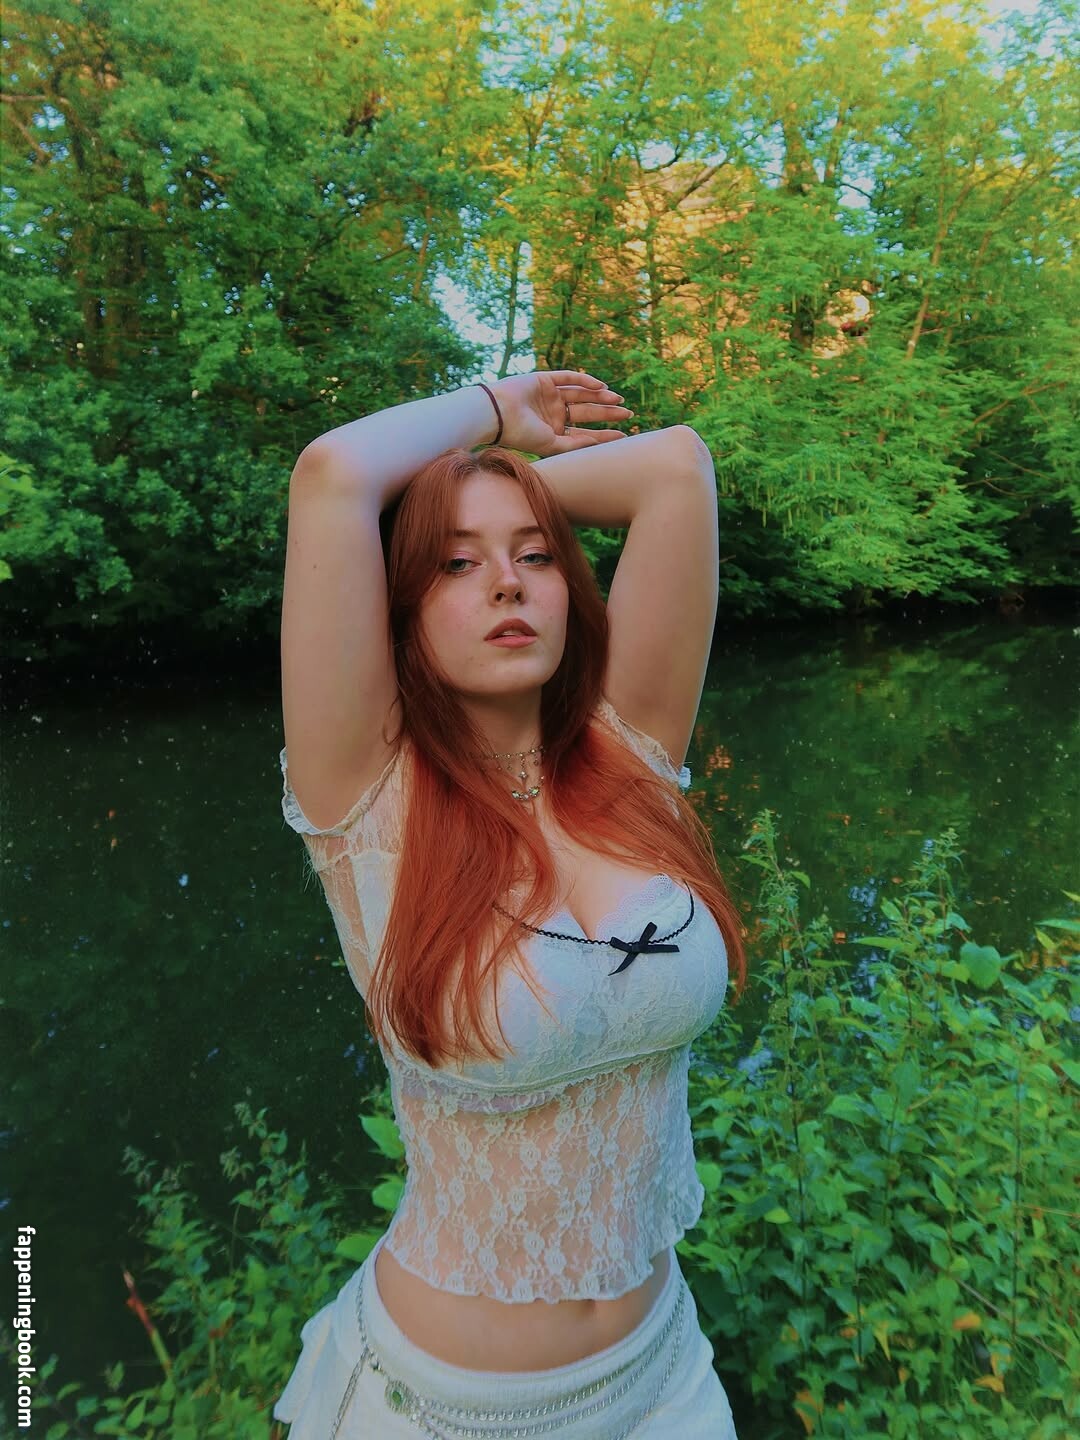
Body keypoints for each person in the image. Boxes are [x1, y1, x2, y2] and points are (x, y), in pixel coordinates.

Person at [272, 371, 747, 1437]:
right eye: (456, 562)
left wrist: (488, 493)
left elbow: (675, 468)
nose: (506, 585)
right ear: (398, 607)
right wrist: (497, 415)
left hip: (665, 1375)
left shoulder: (629, 757)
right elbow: (333, 476)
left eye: (535, 557)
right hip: (440, 1407)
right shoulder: (368, 802)